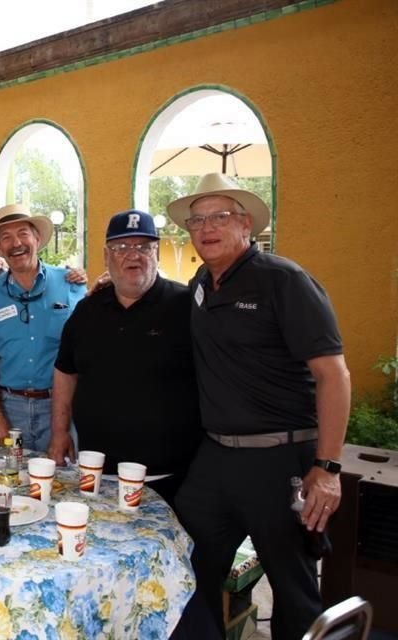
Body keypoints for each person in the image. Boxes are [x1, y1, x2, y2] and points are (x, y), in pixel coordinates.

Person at [168, 173, 351, 640]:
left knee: (293, 588)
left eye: (220, 216)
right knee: (185, 563)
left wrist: (327, 467)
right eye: (198, 220)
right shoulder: (200, 286)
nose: (207, 227)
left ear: (246, 225)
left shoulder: (283, 280)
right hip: (215, 458)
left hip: (277, 459)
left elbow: (334, 375)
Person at [49, 209, 201, 504]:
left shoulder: (185, 307)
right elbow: (66, 371)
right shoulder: (87, 311)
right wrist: (59, 432)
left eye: (143, 247)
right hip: (97, 471)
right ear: (107, 256)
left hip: (170, 476)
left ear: (156, 252)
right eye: (122, 247)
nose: (134, 255)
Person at [0, 204, 86, 451]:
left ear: (38, 238)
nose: (16, 243)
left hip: (60, 406)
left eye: (23, 233)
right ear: (0, 248)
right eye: (7, 237)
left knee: (61, 483)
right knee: (10, 483)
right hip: (11, 407)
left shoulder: (70, 285)